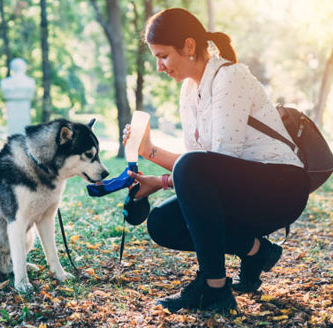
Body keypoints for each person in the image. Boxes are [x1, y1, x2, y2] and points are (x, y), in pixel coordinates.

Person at [122, 7, 309, 313]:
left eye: (164, 56)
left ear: (189, 46)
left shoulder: (230, 77)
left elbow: (214, 162)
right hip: (241, 189)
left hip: (281, 187)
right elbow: (201, 171)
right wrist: (152, 166)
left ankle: (214, 287)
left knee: (190, 168)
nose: (159, 66)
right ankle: (257, 251)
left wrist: (156, 165)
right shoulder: (189, 90)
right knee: (162, 222)